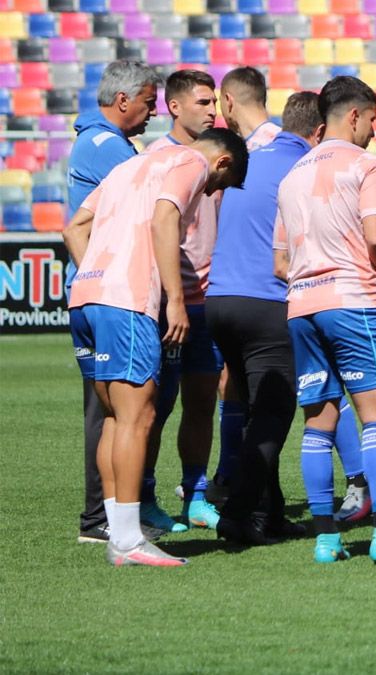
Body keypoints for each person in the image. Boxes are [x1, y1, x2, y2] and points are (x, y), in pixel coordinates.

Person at [274, 76, 376, 564]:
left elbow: (279, 263)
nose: (374, 130)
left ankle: (327, 539)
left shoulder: (292, 176)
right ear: (352, 116)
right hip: (353, 300)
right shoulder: (366, 165)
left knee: (319, 420)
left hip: (301, 305)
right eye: (371, 119)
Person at [62, 128, 248, 566]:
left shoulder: (129, 165)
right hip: (127, 302)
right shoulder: (189, 162)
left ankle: (117, 532)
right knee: (137, 416)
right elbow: (165, 217)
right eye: (217, 186)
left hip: (86, 296)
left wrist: (97, 274)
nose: (210, 192)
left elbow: (74, 228)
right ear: (221, 163)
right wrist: (177, 300)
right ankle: (127, 541)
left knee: (115, 417)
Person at [208, 92, 360, 546]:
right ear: (317, 132)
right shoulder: (304, 171)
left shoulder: (251, 157)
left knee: (256, 409)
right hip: (267, 302)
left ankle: (270, 514)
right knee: (274, 415)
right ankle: (235, 515)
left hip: (220, 300)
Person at [67, 59, 162, 545]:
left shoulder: (104, 142)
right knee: (115, 410)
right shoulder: (108, 148)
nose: (153, 112)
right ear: (123, 100)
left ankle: (108, 515)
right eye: (149, 102)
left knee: (111, 409)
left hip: (92, 291)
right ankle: (103, 518)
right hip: (109, 293)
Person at [140, 70, 224, 534]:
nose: (213, 110)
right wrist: (170, 296)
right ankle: (146, 496)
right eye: (203, 102)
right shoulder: (158, 159)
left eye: (214, 102)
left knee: (200, 402)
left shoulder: (214, 156)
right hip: (168, 303)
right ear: (174, 107)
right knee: (157, 404)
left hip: (207, 302)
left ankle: (195, 493)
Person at [210, 66, 286, 502]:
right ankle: (242, 496)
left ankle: (252, 499)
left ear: (229, 101)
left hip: (235, 292)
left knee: (250, 393)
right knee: (265, 400)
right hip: (261, 294)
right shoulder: (279, 149)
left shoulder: (264, 149)